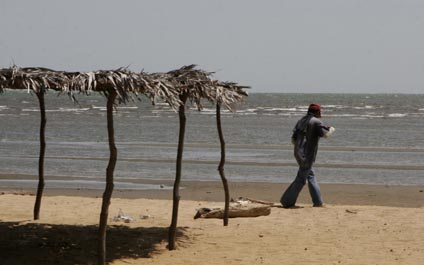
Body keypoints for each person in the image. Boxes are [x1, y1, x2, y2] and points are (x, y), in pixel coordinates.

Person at [280, 103, 335, 208]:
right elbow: (326, 134)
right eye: (320, 111)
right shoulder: (316, 122)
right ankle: (286, 201)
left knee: (310, 175)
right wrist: (332, 129)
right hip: (307, 155)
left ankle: (318, 202)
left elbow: (293, 139)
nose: (321, 113)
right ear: (317, 112)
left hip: (298, 153)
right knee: (301, 179)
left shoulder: (301, 121)